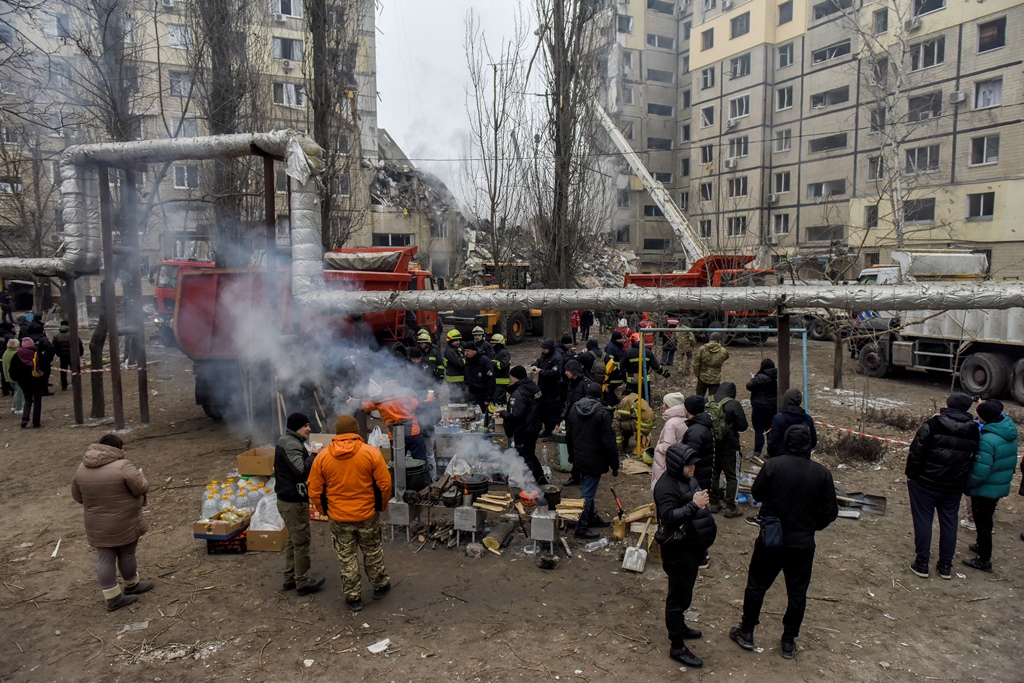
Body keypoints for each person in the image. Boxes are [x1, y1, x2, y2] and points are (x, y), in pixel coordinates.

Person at [729, 425, 838, 660]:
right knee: (797, 593)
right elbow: (830, 512)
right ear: (809, 444)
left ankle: (747, 631)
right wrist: (811, 526)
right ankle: (788, 641)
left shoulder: (774, 465)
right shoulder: (822, 473)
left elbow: (756, 494)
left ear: (787, 442)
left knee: (757, 584)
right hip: (802, 542)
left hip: (772, 538)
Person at [307, 415, 392, 613]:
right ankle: (380, 586)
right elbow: (385, 484)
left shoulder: (322, 457)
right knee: (372, 551)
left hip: (339, 517)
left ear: (337, 433)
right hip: (367, 514)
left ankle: (353, 597)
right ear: (356, 432)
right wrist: (381, 506)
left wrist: (324, 511)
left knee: (346, 556)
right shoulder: (371, 453)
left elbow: (314, 490)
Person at [71, 434, 154, 612]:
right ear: (117, 448)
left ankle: (112, 597)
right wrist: (141, 476)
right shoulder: (123, 466)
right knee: (127, 553)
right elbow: (141, 487)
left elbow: (77, 496)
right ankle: (132, 584)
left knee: (105, 557)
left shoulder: (81, 469)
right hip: (124, 519)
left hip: (95, 521)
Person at [654, 442, 718, 669]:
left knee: (685, 593)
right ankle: (677, 645)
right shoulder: (665, 487)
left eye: (693, 464)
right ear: (677, 465)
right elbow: (669, 517)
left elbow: (694, 499)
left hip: (692, 546)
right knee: (677, 599)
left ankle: (681, 627)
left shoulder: (687, 479)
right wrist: (694, 505)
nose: (693, 468)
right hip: (677, 550)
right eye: (689, 465)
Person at [905, 392, 979, 579]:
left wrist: (912, 475)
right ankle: (945, 565)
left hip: (925, 482)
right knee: (949, 523)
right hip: (954, 485)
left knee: (923, 521)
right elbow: (972, 458)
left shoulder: (932, 424)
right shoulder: (973, 429)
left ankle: (922, 563)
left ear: (948, 404)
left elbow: (916, 451)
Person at [961, 400, 1017, 573]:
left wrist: (967, 485)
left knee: (983, 522)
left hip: (985, 488)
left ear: (985, 417)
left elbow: (980, 472)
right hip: (998, 484)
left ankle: (984, 560)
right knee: (987, 518)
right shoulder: (1007, 430)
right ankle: (980, 546)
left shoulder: (987, 439)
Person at [274, 413, 327, 596]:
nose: (309, 428)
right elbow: (300, 470)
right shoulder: (291, 444)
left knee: (292, 540)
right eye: (306, 425)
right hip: (293, 502)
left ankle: (290, 578)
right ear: (297, 426)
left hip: (288, 500)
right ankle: (303, 583)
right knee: (302, 542)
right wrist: (314, 456)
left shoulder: (290, 440)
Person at [566, 383, 618, 538]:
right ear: (600, 396)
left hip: (579, 457)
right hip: (595, 459)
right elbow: (609, 442)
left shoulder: (574, 409)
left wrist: (571, 456)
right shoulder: (603, 414)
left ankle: (592, 517)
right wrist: (614, 465)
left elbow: (569, 435)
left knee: (588, 488)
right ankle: (581, 527)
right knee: (587, 493)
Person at [500, 366, 548, 486]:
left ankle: (540, 480)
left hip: (523, 429)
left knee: (525, 455)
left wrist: (503, 413)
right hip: (534, 426)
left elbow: (515, 415)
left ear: (515, 377)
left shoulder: (518, 393)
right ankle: (533, 477)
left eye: (511, 377)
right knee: (529, 453)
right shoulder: (533, 387)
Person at [360, 384, 429, 466]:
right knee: (421, 461)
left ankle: (398, 478)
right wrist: (429, 399)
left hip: (395, 436)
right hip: (413, 433)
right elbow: (419, 406)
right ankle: (422, 478)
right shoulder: (406, 393)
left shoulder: (378, 398)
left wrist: (353, 400)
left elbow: (363, 406)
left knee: (397, 464)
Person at [709, 382, 748, 518]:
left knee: (714, 474)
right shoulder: (734, 404)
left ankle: (713, 503)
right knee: (732, 476)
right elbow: (743, 426)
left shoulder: (708, 400)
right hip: (730, 446)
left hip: (712, 445)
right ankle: (730, 507)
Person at [652, 392, 689, 490]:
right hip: (678, 459)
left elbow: (667, 447)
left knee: (662, 488)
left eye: (664, 403)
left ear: (670, 405)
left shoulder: (670, 424)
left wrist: (658, 447)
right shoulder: (685, 419)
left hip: (665, 462)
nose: (662, 406)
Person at [766, 389, 816, 459]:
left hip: (781, 458)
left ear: (786, 400)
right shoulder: (807, 419)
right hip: (802, 458)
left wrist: (771, 456)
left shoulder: (778, 419)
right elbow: (813, 441)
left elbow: (773, 441)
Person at [8, 337, 45, 427]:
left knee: (28, 399)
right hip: (37, 380)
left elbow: (12, 370)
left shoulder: (17, 355)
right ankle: (36, 421)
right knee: (37, 400)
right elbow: (44, 366)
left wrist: (16, 378)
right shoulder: (37, 353)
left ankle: (25, 418)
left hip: (23, 381)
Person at [746, 358, 779, 458]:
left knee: (759, 430)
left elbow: (749, 386)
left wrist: (753, 378)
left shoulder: (760, 377)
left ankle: (757, 452)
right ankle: (771, 452)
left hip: (759, 407)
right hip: (773, 406)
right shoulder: (777, 376)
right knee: (770, 429)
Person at [623, 332, 671, 400]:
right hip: (644, 380)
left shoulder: (627, 352)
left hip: (632, 380)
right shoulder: (647, 352)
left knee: (631, 398)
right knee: (645, 398)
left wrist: (622, 378)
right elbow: (656, 367)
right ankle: (646, 409)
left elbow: (621, 367)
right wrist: (665, 374)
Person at [532, 339, 564, 437]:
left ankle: (552, 432)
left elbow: (555, 373)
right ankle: (546, 429)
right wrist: (534, 365)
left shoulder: (557, 358)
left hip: (553, 388)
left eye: (545, 349)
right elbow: (539, 361)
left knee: (552, 411)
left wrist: (541, 372)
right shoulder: (544, 356)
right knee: (543, 410)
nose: (543, 351)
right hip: (543, 387)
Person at [613, 385, 654, 455]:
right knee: (627, 424)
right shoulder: (635, 396)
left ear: (622, 394)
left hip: (642, 424)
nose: (618, 398)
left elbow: (623, 417)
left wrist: (616, 415)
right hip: (649, 423)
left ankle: (619, 448)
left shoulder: (626, 400)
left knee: (615, 424)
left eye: (618, 396)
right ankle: (625, 441)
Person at [462, 341, 495, 420]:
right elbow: (466, 379)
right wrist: (464, 395)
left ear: (474, 351)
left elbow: (490, 380)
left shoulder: (484, 361)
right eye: (464, 351)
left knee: (482, 417)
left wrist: (488, 398)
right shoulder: (467, 361)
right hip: (470, 395)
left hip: (482, 395)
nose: (466, 353)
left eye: (468, 351)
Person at [692, 332, 729, 398]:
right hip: (715, 377)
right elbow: (726, 357)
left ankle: (699, 408)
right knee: (713, 398)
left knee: (699, 396)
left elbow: (696, 363)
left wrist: (697, 374)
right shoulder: (723, 351)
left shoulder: (702, 349)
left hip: (703, 376)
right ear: (719, 340)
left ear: (710, 338)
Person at [51, 320, 83, 392]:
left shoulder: (56, 336)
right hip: (73, 355)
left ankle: (64, 386)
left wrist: (58, 354)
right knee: (75, 370)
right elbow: (80, 344)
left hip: (63, 356)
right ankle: (76, 385)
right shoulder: (73, 335)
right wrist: (80, 353)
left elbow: (54, 347)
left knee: (63, 370)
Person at [602, 332, 627, 405]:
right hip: (613, 374)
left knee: (612, 390)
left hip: (619, 374)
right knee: (610, 390)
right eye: (620, 338)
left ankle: (614, 403)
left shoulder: (618, 346)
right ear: (617, 339)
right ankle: (610, 404)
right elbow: (610, 362)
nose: (622, 340)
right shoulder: (610, 348)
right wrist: (616, 371)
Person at [443, 329, 466, 401]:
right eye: (456, 341)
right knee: (456, 396)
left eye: (459, 340)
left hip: (458, 378)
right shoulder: (450, 351)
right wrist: (466, 359)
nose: (458, 342)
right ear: (450, 341)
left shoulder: (455, 348)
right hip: (454, 378)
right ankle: (454, 410)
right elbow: (459, 363)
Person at [3, 338, 23, 414]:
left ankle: (14, 406)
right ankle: (18, 408)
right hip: (16, 376)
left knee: (15, 391)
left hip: (8, 376)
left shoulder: (6, 353)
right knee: (19, 392)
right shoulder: (16, 354)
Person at [490, 333, 511, 404]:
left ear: (499, 344)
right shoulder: (497, 353)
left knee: (499, 400)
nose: (492, 346)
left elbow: (503, 365)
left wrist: (492, 363)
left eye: (494, 344)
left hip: (501, 381)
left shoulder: (504, 353)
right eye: (492, 344)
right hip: (496, 381)